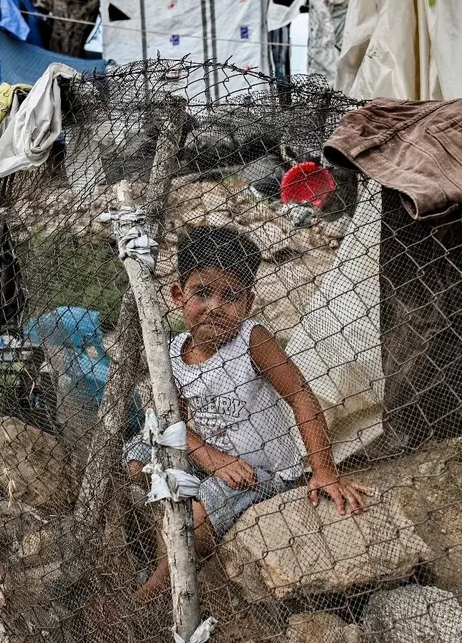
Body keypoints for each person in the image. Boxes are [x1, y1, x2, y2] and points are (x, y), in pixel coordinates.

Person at [124, 226, 371, 603]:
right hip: (214, 460)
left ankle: (156, 591)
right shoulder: (173, 352)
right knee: (137, 455)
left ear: (249, 304)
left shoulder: (251, 341)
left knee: (195, 514)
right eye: (202, 292)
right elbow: (168, 422)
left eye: (231, 297)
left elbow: (302, 396)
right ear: (178, 295)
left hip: (263, 474)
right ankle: (167, 518)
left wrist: (323, 470)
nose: (216, 307)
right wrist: (213, 458)